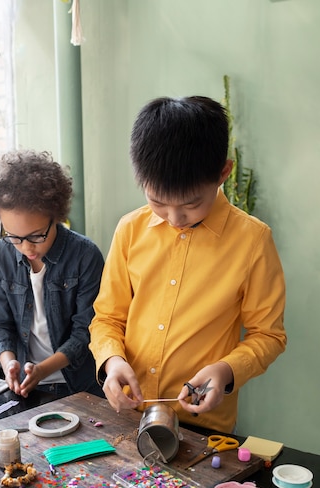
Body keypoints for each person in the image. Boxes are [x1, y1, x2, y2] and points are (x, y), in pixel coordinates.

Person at [89, 96, 286, 433]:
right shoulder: (130, 229)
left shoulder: (253, 241)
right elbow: (108, 317)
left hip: (201, 426)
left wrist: (226, 371)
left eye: (192, 204)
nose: (175, 218)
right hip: (127, 414)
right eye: (158, 202)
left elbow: (268, 335)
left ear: (224, 173)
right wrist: (111, 360)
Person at [0, 149, 104, 399]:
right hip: (27, 387)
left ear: (55, 216)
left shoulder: (85, 255)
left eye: (37, 235)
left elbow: (86, 331)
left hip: (82, 385)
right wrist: (9, 364)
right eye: (13, 236)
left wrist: (42, 369)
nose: (26, 247)